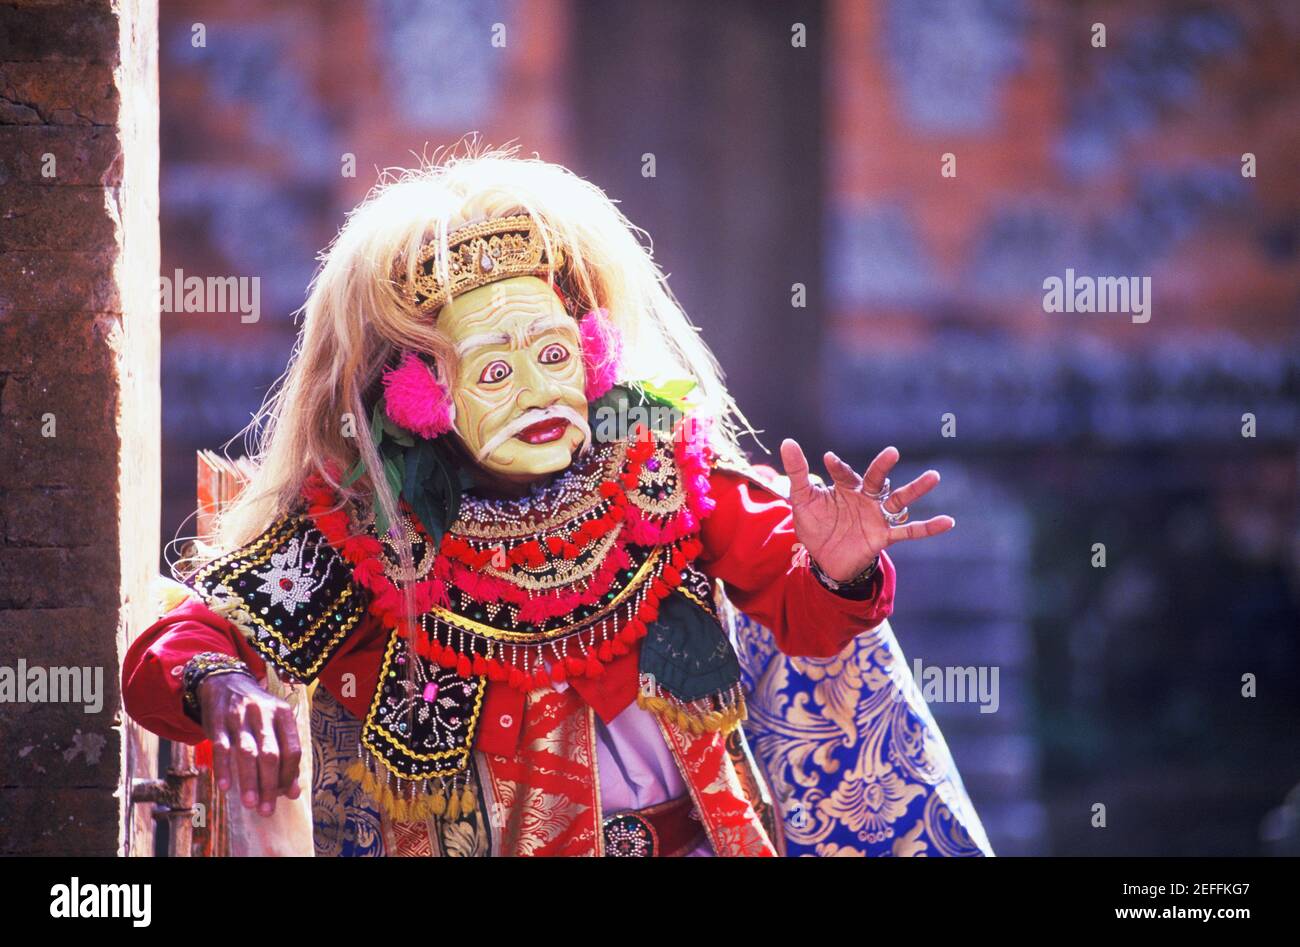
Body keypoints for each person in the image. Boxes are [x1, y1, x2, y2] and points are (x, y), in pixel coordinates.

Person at [122, 149, 971, 857]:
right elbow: (178, 646)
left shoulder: (661, 471)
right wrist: (226, 687)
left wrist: (837, 567)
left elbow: (802, 612)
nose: (539, 393)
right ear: (422, 397)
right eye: (495, 371)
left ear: (595, 357)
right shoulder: (370, 525)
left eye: (554, 353)